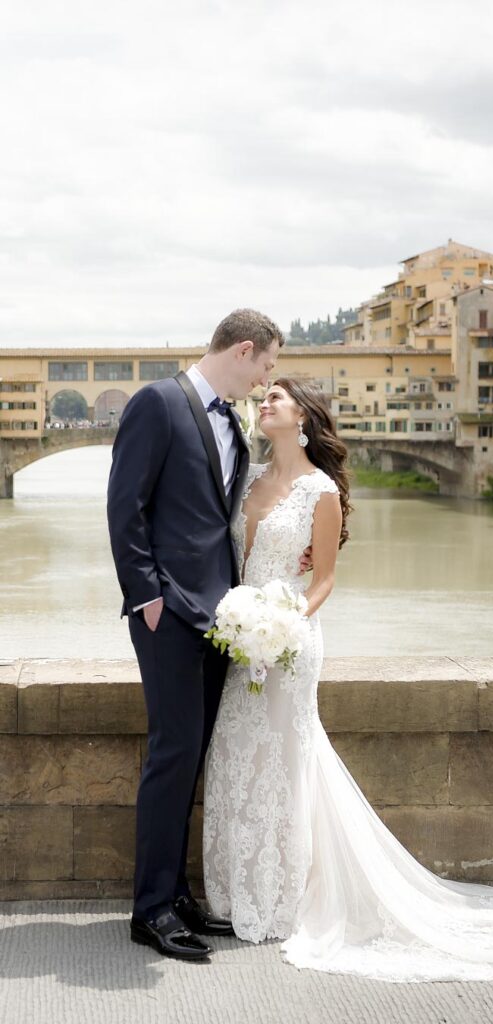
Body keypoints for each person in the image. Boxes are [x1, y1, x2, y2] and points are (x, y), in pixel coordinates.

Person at [203, 377, 493, 984]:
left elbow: (323, 581)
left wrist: (283, 623)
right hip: (243, 643)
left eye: (276, 400)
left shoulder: (320, 491)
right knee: (238, 755)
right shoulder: (248, 479)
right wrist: (243, 622)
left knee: (289, 760)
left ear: (306, 418)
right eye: (261, 399)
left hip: (289, 640)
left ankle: (285, 897)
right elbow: (235, 560)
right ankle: (236, 895)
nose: (263, 406)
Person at [107, 309, 284, 962]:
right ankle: (150, 910)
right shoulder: (158, 403)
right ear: (243, 350)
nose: (267, 382)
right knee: (172, 754)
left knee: (192, 756)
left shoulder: (231, 421)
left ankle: (176, 896)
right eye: (266, 367)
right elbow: (125, 505)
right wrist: (147, 598)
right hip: (168, 615)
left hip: (219, 618)